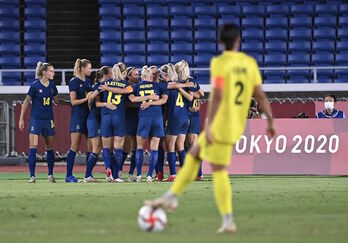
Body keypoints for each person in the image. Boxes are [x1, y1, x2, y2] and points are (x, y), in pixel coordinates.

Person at [145, 23, 275, 234]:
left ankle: (226, 219)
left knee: (217, 169)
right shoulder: (249, 63)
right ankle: (171, 199)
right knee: (195, 154)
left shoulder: (220, 63)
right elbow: (259, 94)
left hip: (222, 122)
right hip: (237, 123)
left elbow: (219, 96)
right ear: (238, 41)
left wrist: (209, 123)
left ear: (220, 42)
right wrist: (269, 121)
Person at [19, 62, 59, 183]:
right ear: (44, 72)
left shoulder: (52, 85)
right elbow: (26, 101)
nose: (53, 73)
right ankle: (32, 176)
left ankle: (50, 175)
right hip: (36, 119)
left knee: (50, 147)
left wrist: (69, 102)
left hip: (49, 119)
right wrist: (21, 118)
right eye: (51, 71)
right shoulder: (35, 85)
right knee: (34, 146)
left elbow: (56, 100)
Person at [128, 65, 167, 183]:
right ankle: (150, 175)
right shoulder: (158, 86)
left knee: (139, 147)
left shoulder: (136, 86)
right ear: (150, 76)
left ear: (142, 76)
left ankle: (139, 175)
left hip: (144, 118)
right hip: (157, 118)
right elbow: (164, 100)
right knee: (154, 148)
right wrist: (152, 100)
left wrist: (146, 101)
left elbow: (132, 99)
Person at [97, 62, 134, 183]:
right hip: (119, 115)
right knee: (118, 148)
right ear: (123, 73)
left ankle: (108, 170)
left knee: (106, 147)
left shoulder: (105, 83)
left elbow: (94, 95)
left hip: (106, 115)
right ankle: (117, 175)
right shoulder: (125, 84)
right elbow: (127, 92)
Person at [163, 61, 193, 182]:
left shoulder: (169, 86)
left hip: (174, 118)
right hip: (184, 117)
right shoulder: (184, 83)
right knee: (180, 146)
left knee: (170, 147)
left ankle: (173, 174)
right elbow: (191, 98)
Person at [84, 66, 115, 182]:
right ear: (105, 75)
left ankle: (110, 173)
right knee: (96, 148)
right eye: (111, 73)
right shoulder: (99, 86)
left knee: (104, 147)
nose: (112, 75)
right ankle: (87, 175)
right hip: (94, 119)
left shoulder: (105, 86)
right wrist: (107, 104)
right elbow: (96, 104)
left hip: (100, 119)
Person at [66, 59, 93, 183]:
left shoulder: (88, 81)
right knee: (74, 146)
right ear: (83, 69)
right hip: (77, 116)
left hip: (88, 116)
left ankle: (88, 175)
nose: (90, 70)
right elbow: (73, 102)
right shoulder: (74, 81)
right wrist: (86, 99)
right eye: (89, 68)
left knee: (91, 146)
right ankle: (68, 175)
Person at [186, 77, 204, 180]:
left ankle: (199, 173)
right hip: (184, 115)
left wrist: (197, 106)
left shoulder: (191, 80)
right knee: (186, 145)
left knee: (194, 143)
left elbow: (200, 94)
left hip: (193, 115)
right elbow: (197, 97)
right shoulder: (179, 82)